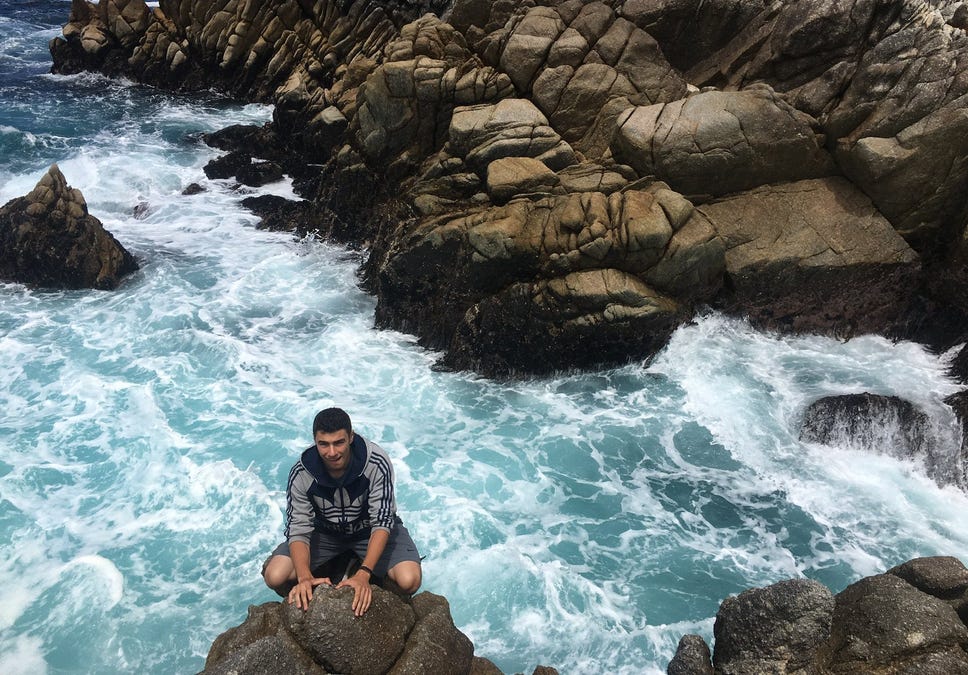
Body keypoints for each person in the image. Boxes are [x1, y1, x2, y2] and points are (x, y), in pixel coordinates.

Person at [262, 407, 422, 616]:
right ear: (315, 441)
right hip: (326, 534)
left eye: (339, 442)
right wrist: (304, 577)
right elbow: (298, 527)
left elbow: (382, 521)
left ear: (351, 437)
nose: (332, 452)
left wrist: (364, 574)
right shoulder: (302, 472)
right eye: (323, 444)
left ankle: (364, 568)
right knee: (275, 576)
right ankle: (339, 562)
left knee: (409, 580)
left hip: (368, 532)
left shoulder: (375, 462)